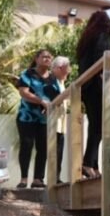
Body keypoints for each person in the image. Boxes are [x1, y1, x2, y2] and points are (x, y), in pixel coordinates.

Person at [74, 10, 110, 178]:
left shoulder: (85, 41)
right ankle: (88, 163)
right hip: (98, 87)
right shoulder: (103, 37)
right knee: (99, 127)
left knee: (95, 125)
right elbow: (102, 60)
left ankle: (94, 165)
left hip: (86, 88)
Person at [16, 49, 54, 189]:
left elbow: (58, 94)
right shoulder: (27, 74)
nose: (47, 59)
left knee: (43, 148)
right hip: (26, 117)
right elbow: (23, 92)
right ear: (36, 59)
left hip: (45, 119)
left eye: (50, 57)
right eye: (44, 57)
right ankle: (24, 178)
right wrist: (41, 101)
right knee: (26, 146)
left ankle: (38, 179)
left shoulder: (53, 77)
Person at [47, 56, 71, 183]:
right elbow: (53, 97)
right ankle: (52, 179)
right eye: (65, 68)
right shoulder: (50, 80)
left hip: (61, 124)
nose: (68, 71)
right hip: (51, 123)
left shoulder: (62, 82)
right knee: (53, 152)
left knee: (59, 152)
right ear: (57, 68)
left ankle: (57, 177)